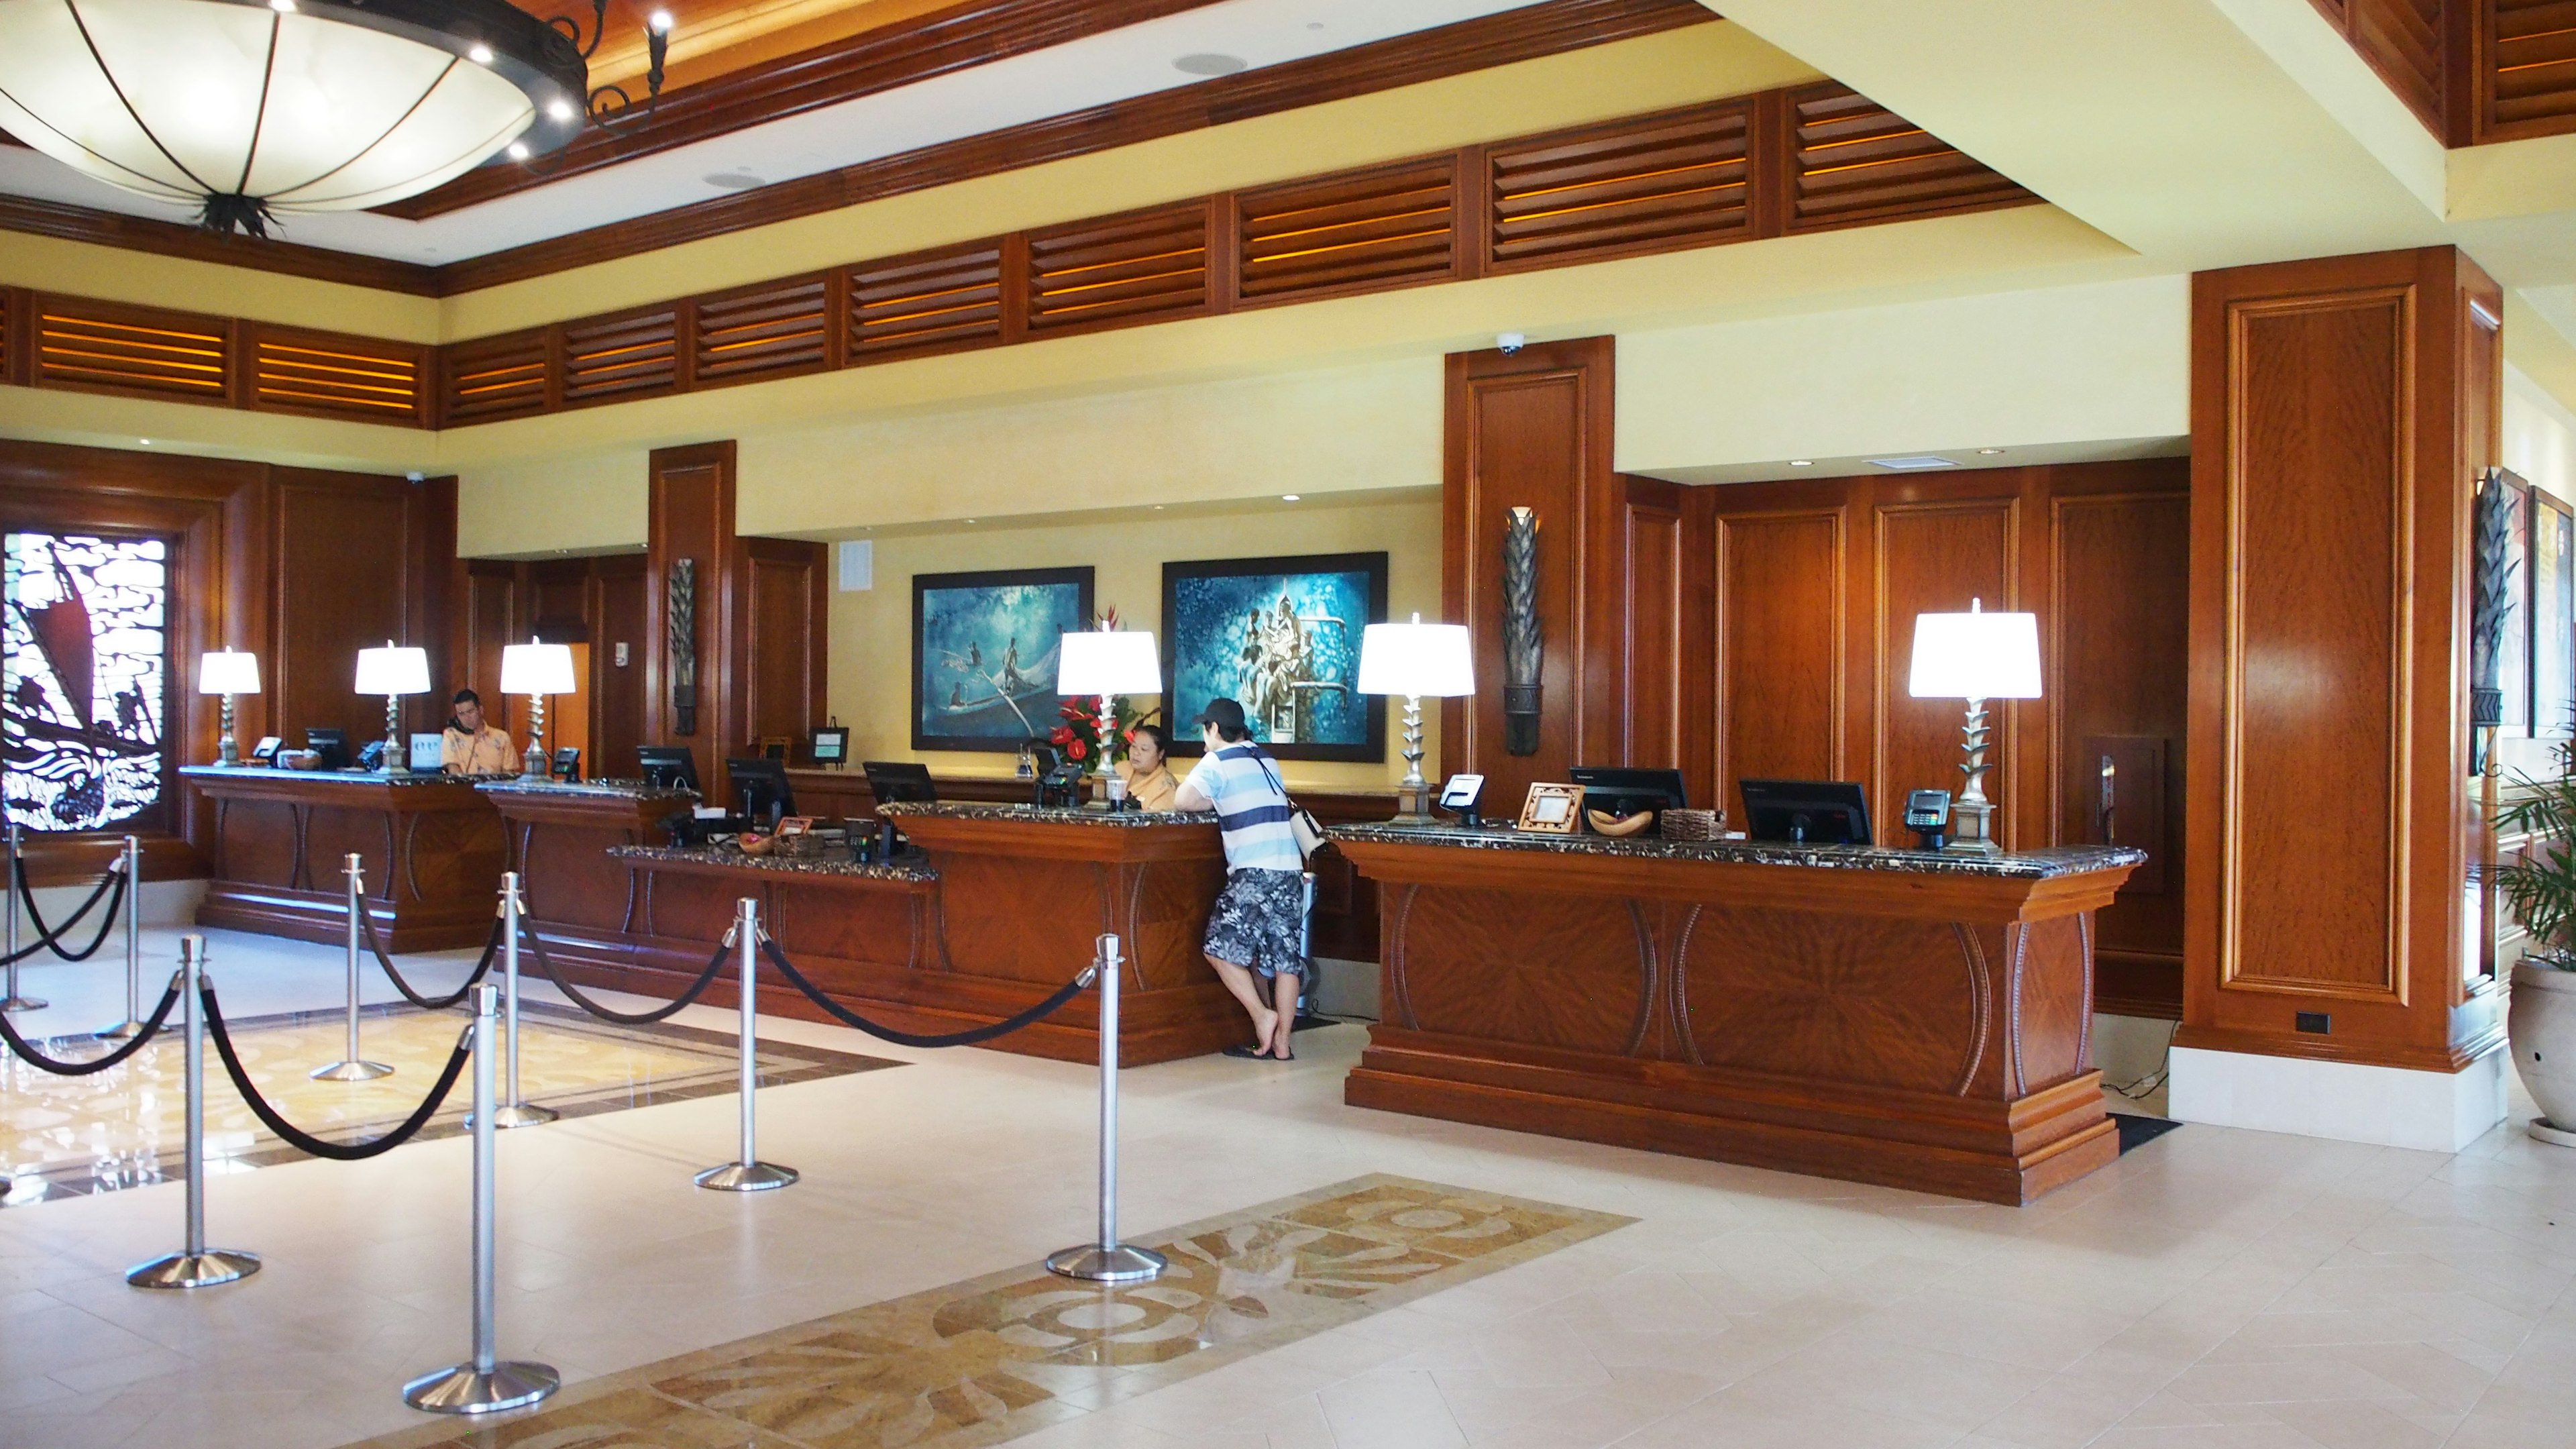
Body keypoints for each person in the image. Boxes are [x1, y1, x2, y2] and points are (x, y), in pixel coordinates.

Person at [1173, 698, 1306, 1060]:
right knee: (1285, 960)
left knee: (1218, 949)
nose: (1204, 737)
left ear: (1215, 729)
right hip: (1289, 868)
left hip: (1255, 870)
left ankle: (1262, 1017)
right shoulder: (1266, 758)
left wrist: (1215, 800)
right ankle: (1281, 1045)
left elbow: (1182, 800)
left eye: (1205, 729)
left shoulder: (1217, 761)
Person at [440, 689, 518, 777]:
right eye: (461, 714)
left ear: (480, 710)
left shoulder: (502, 737)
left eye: (470, 712)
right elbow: (453, 769)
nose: (467, 718)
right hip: (464, 788)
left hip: (494, 788)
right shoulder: (451, 735)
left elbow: (509, 773)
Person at [1118, 722, 1179, 811]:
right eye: (1134, 746)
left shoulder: (1166, 788)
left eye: (1144, 749)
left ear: (1160, 754)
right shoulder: (1120, 769)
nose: (1136, 753)